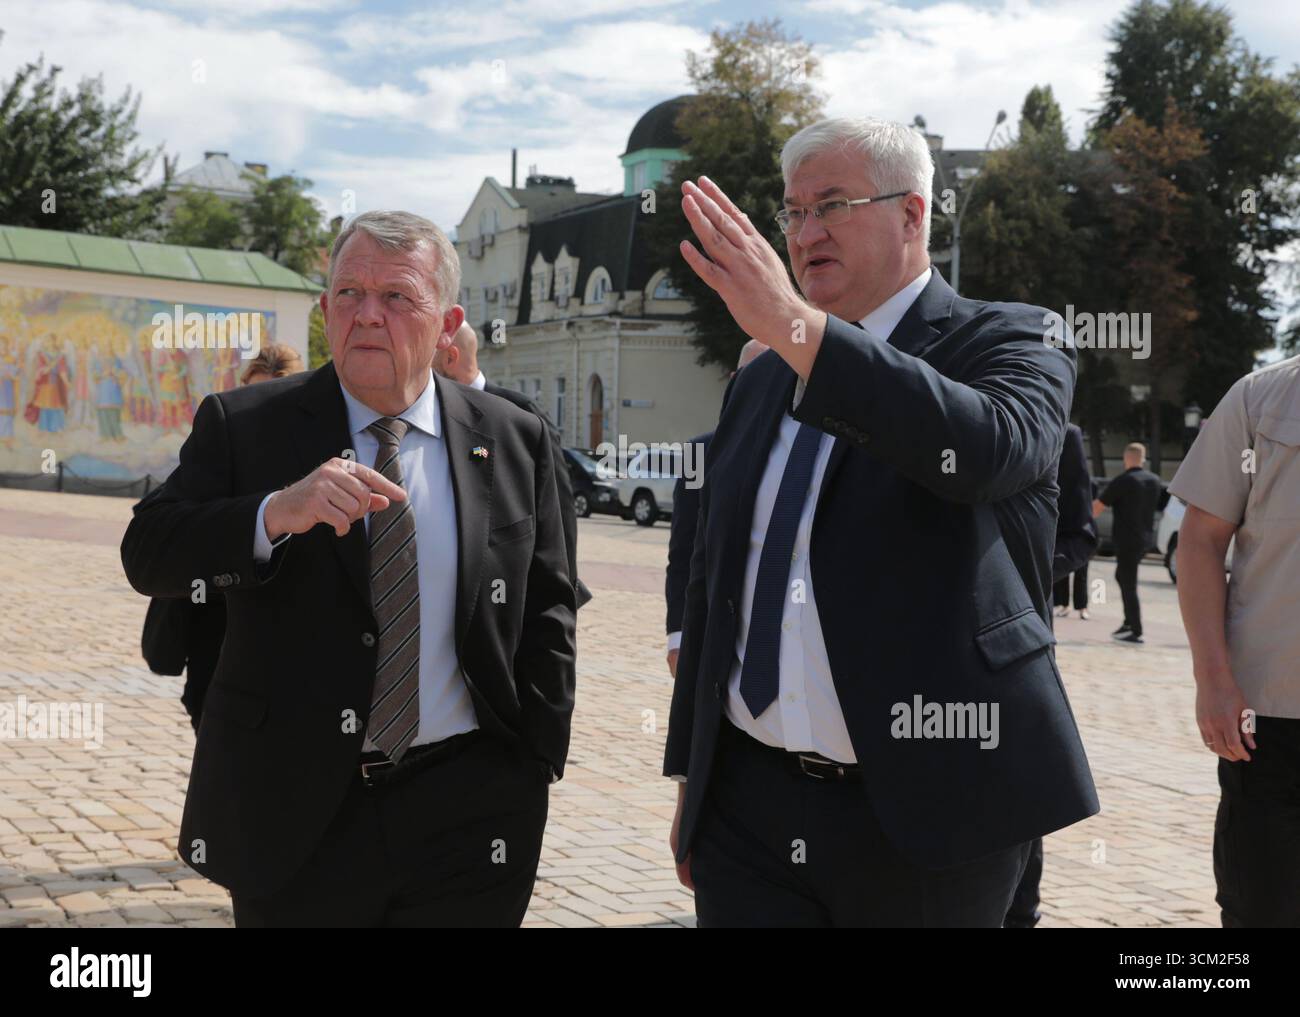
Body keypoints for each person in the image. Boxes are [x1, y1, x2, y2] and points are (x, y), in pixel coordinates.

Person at [663, 117, 1098, 927]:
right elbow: (714, 572)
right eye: (791, 212)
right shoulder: (759, 379)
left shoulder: (1013, 336)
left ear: (912, 214)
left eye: (831, 204)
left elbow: (981, 450)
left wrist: (799, 331)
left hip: (931, 814)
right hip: (748, 812)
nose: (802, 232)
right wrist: (696, 779)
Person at [121, 210, 576, 927]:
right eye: (348, 293)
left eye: (396, 297)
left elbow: (549, 603)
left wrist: (535, 762)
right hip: (297, 813)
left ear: (448, 321)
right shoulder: (246, 425)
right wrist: (274, 512)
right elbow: (147, 551)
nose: (368, 315)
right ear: (325, 307)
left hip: (470, 811)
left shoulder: (514, 438)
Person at [1169, 355, 1300, 927]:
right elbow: (1200, 540)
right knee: (1260, 910)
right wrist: (1213, 679)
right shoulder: (1260, 399)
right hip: (1273, 720)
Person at [141, 342, 306, 729]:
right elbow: (166, 524)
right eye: (251, 392)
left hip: (282, 641)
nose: (260, 406)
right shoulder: (225, 437)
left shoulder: (311, 455)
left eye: (270, 395)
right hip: (213, 631)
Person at [1005, 420, 1099, 928]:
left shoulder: (1059, 433)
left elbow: (1081, 535)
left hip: (1018, 636)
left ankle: (1022, 910)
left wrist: (1012, 571)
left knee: (1020, 778)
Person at [433, 321, 590, 609]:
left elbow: (559, 508)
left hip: (510, 594)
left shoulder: (519, 414)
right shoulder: (432, 416)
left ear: (450, 357)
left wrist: (563, 596)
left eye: (426, 358)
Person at [666, 339, 767, 679]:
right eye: (754, 374)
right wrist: (677, 637)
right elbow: (682, 550)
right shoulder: (699, 454)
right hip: (711, 630)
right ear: (734, 377)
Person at [1093, 442, 1161, 645]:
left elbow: (1097, 508)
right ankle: (1127, 622)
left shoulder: (1123, 481)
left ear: (1125, 459)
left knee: (1128, 582)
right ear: (1143, 458)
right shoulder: (1154, 481)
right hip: (1145, 539)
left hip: (1126, 539)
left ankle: (1136, 630)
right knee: (1122, 576)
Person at [1053, 424, 1097, 620]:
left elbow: (1082, 532)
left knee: (1081, 574)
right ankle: (1063, 604)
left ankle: (1082, 606)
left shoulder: (1065, 435)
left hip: (1068, 531)